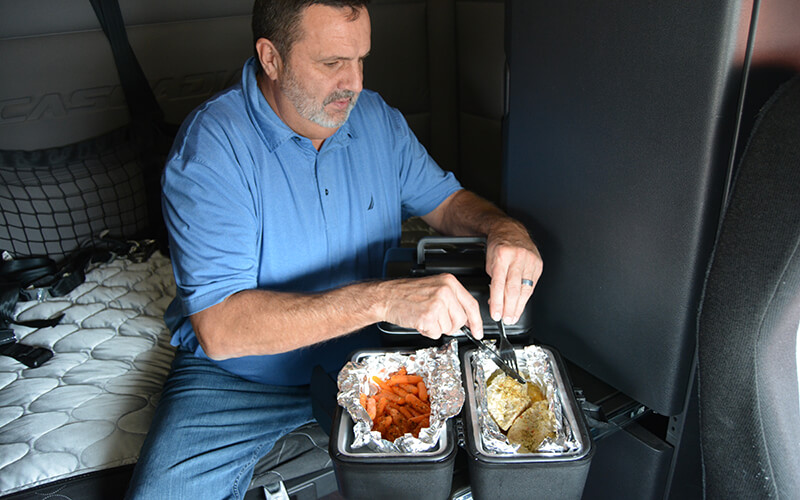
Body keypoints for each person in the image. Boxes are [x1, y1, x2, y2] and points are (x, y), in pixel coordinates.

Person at [126, 0, 542, 498]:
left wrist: (504, 229)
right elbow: (220, 328)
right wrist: (385, 300)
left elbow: (448, 202)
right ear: (271, 57)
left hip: (372, 356)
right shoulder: (212, 149)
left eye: (361, 59)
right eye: (331, 64)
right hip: (242, 378)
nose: (355, 82)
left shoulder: (376, 119)